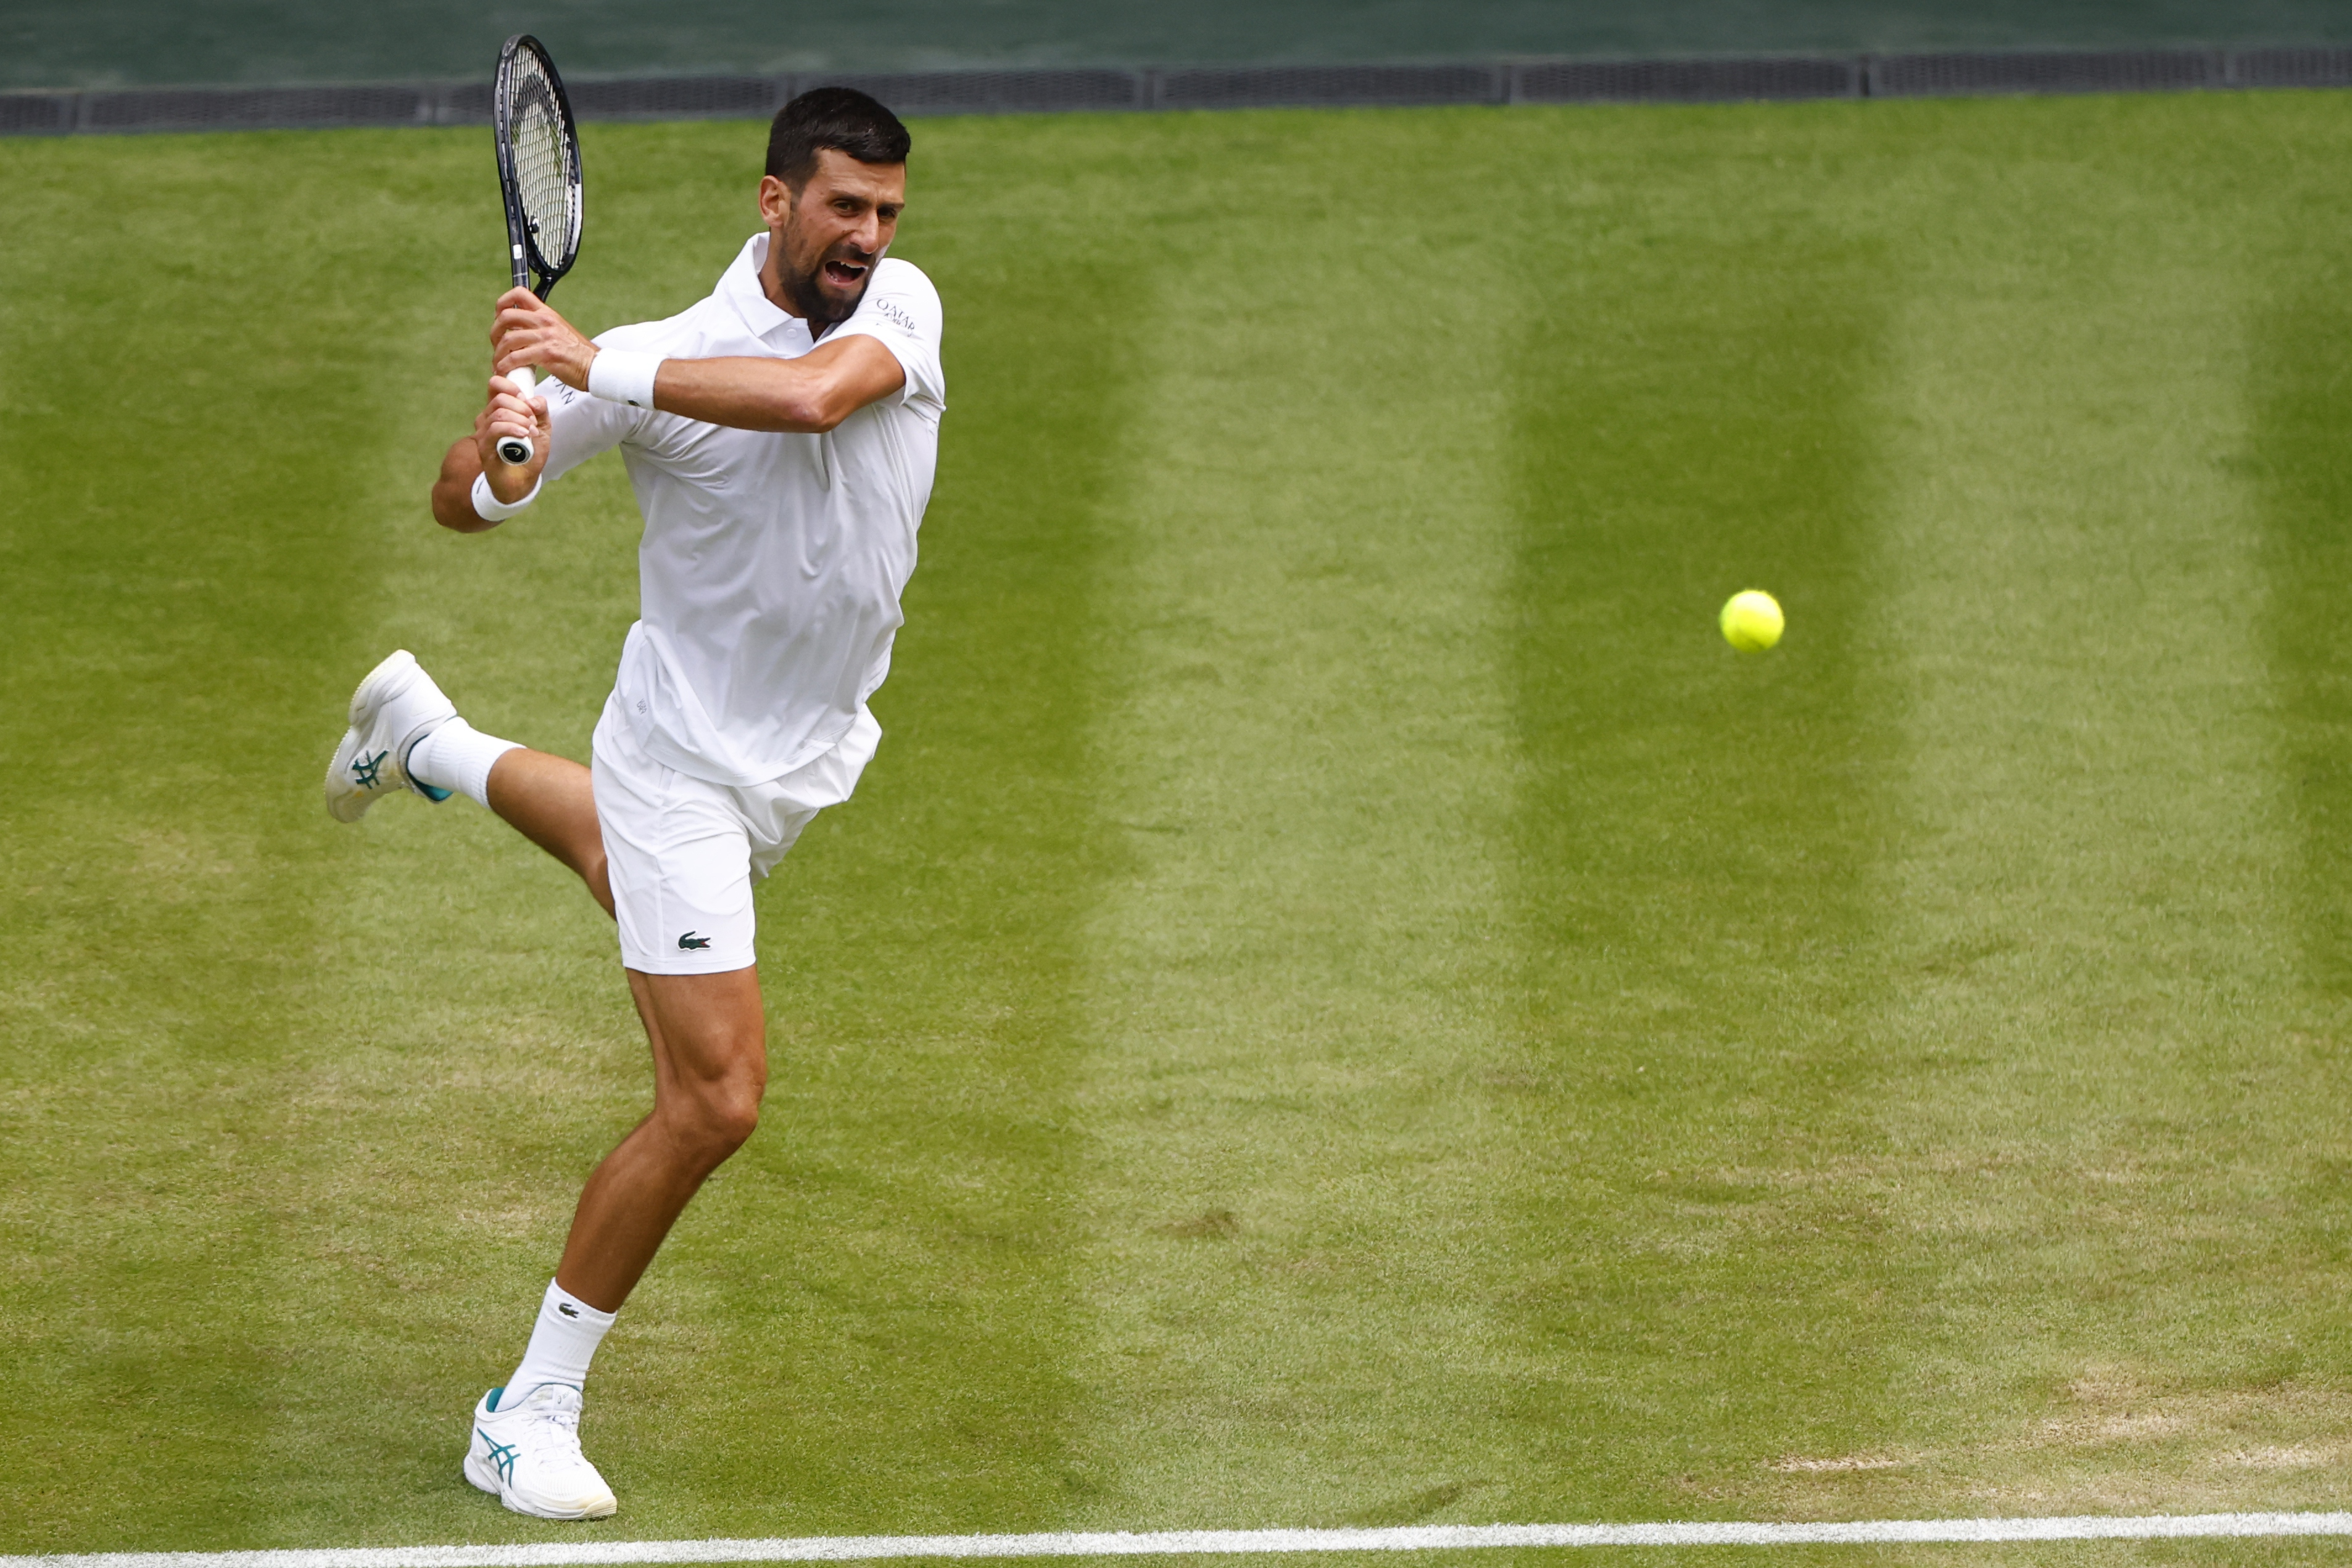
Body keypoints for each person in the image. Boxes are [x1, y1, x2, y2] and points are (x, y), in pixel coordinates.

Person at [320, 86, 942, 1520]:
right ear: (774, 199)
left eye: (886, 210)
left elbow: (809, 399)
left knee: (611, 860)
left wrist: (591, 369)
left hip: (800, 752)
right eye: (843, 205)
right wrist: (511, 433)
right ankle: (523, 1408)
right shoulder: (654, 356)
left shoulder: (895, 311)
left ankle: (428, 741)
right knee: (715, 1092)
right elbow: (467, 503)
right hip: (679, 756)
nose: (867, 235)